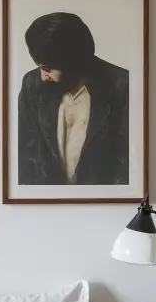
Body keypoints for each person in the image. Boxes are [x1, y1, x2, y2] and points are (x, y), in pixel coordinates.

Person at [17, 12, 129, 186]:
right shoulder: (33, 84)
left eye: (48, 68)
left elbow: (127, 162)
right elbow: (25, 156)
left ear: (74, 62)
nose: (43, 75)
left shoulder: (121, 86)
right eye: (39, 66)